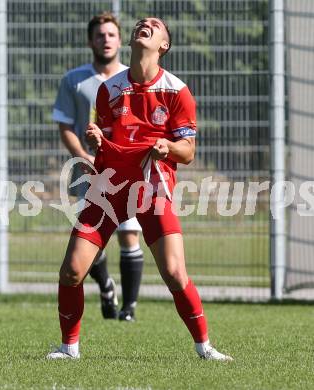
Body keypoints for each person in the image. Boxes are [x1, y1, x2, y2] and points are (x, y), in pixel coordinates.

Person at [47, 17, 232, 361]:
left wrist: (168, 147)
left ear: (164, 45)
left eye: (155, 25)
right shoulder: (109, 90)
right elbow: (108, 142)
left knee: (176, 274)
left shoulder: (178, 91)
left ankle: (205, 347)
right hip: (110, 186)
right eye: (141, 23)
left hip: (152, 187)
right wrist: (98, 139)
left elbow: (188, 152)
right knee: (72, 270)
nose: (145, 24)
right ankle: (68, 348)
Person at [52, 13, 144, 322]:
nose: (106, 39)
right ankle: (105, 285)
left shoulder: (135, 80)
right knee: (90, 243)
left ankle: (128, 309)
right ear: (91, 41)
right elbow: (65, 125)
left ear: (121, 41)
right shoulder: (74, 80)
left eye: (111, 34)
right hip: (89, 174)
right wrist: (84, 156)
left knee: (129, 234)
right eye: (100, 35)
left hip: (126, 174)